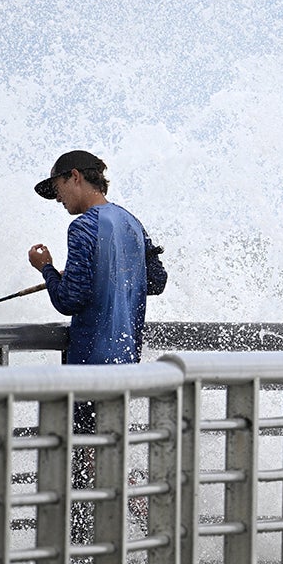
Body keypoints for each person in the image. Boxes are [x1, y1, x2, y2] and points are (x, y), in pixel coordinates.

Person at [27, 149, 167, 543]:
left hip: (90, 365)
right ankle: (144, 519)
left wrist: (47, 270)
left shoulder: (84, 227)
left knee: (86, 457)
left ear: (74, 177)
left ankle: (84, 551)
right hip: (125, 363)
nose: (59, 201)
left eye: (57, 190)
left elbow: (70, 299)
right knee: (104, 451)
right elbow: (156, 281)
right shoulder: (131, 223)